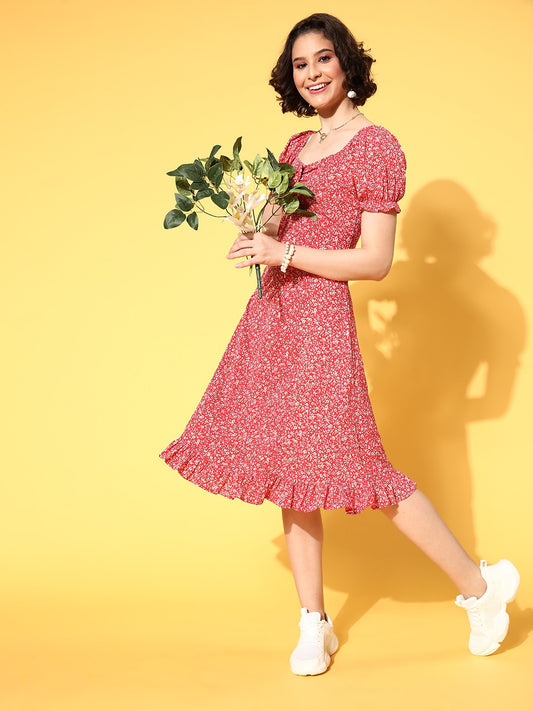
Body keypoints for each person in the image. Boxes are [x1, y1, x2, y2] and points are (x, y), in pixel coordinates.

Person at [159, 13, 519, 675]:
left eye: (323, 58)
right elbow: (280, 226)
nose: (312, 73)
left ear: (347, 63)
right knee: (290, 470)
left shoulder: (377, 147)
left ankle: (478, 588)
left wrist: (286, 250)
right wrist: (252, 222)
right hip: (273, 316)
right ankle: (313, 623)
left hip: (322, 324)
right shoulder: (296, 148)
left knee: (366, 474)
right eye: (300, 64)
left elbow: (374, 260)